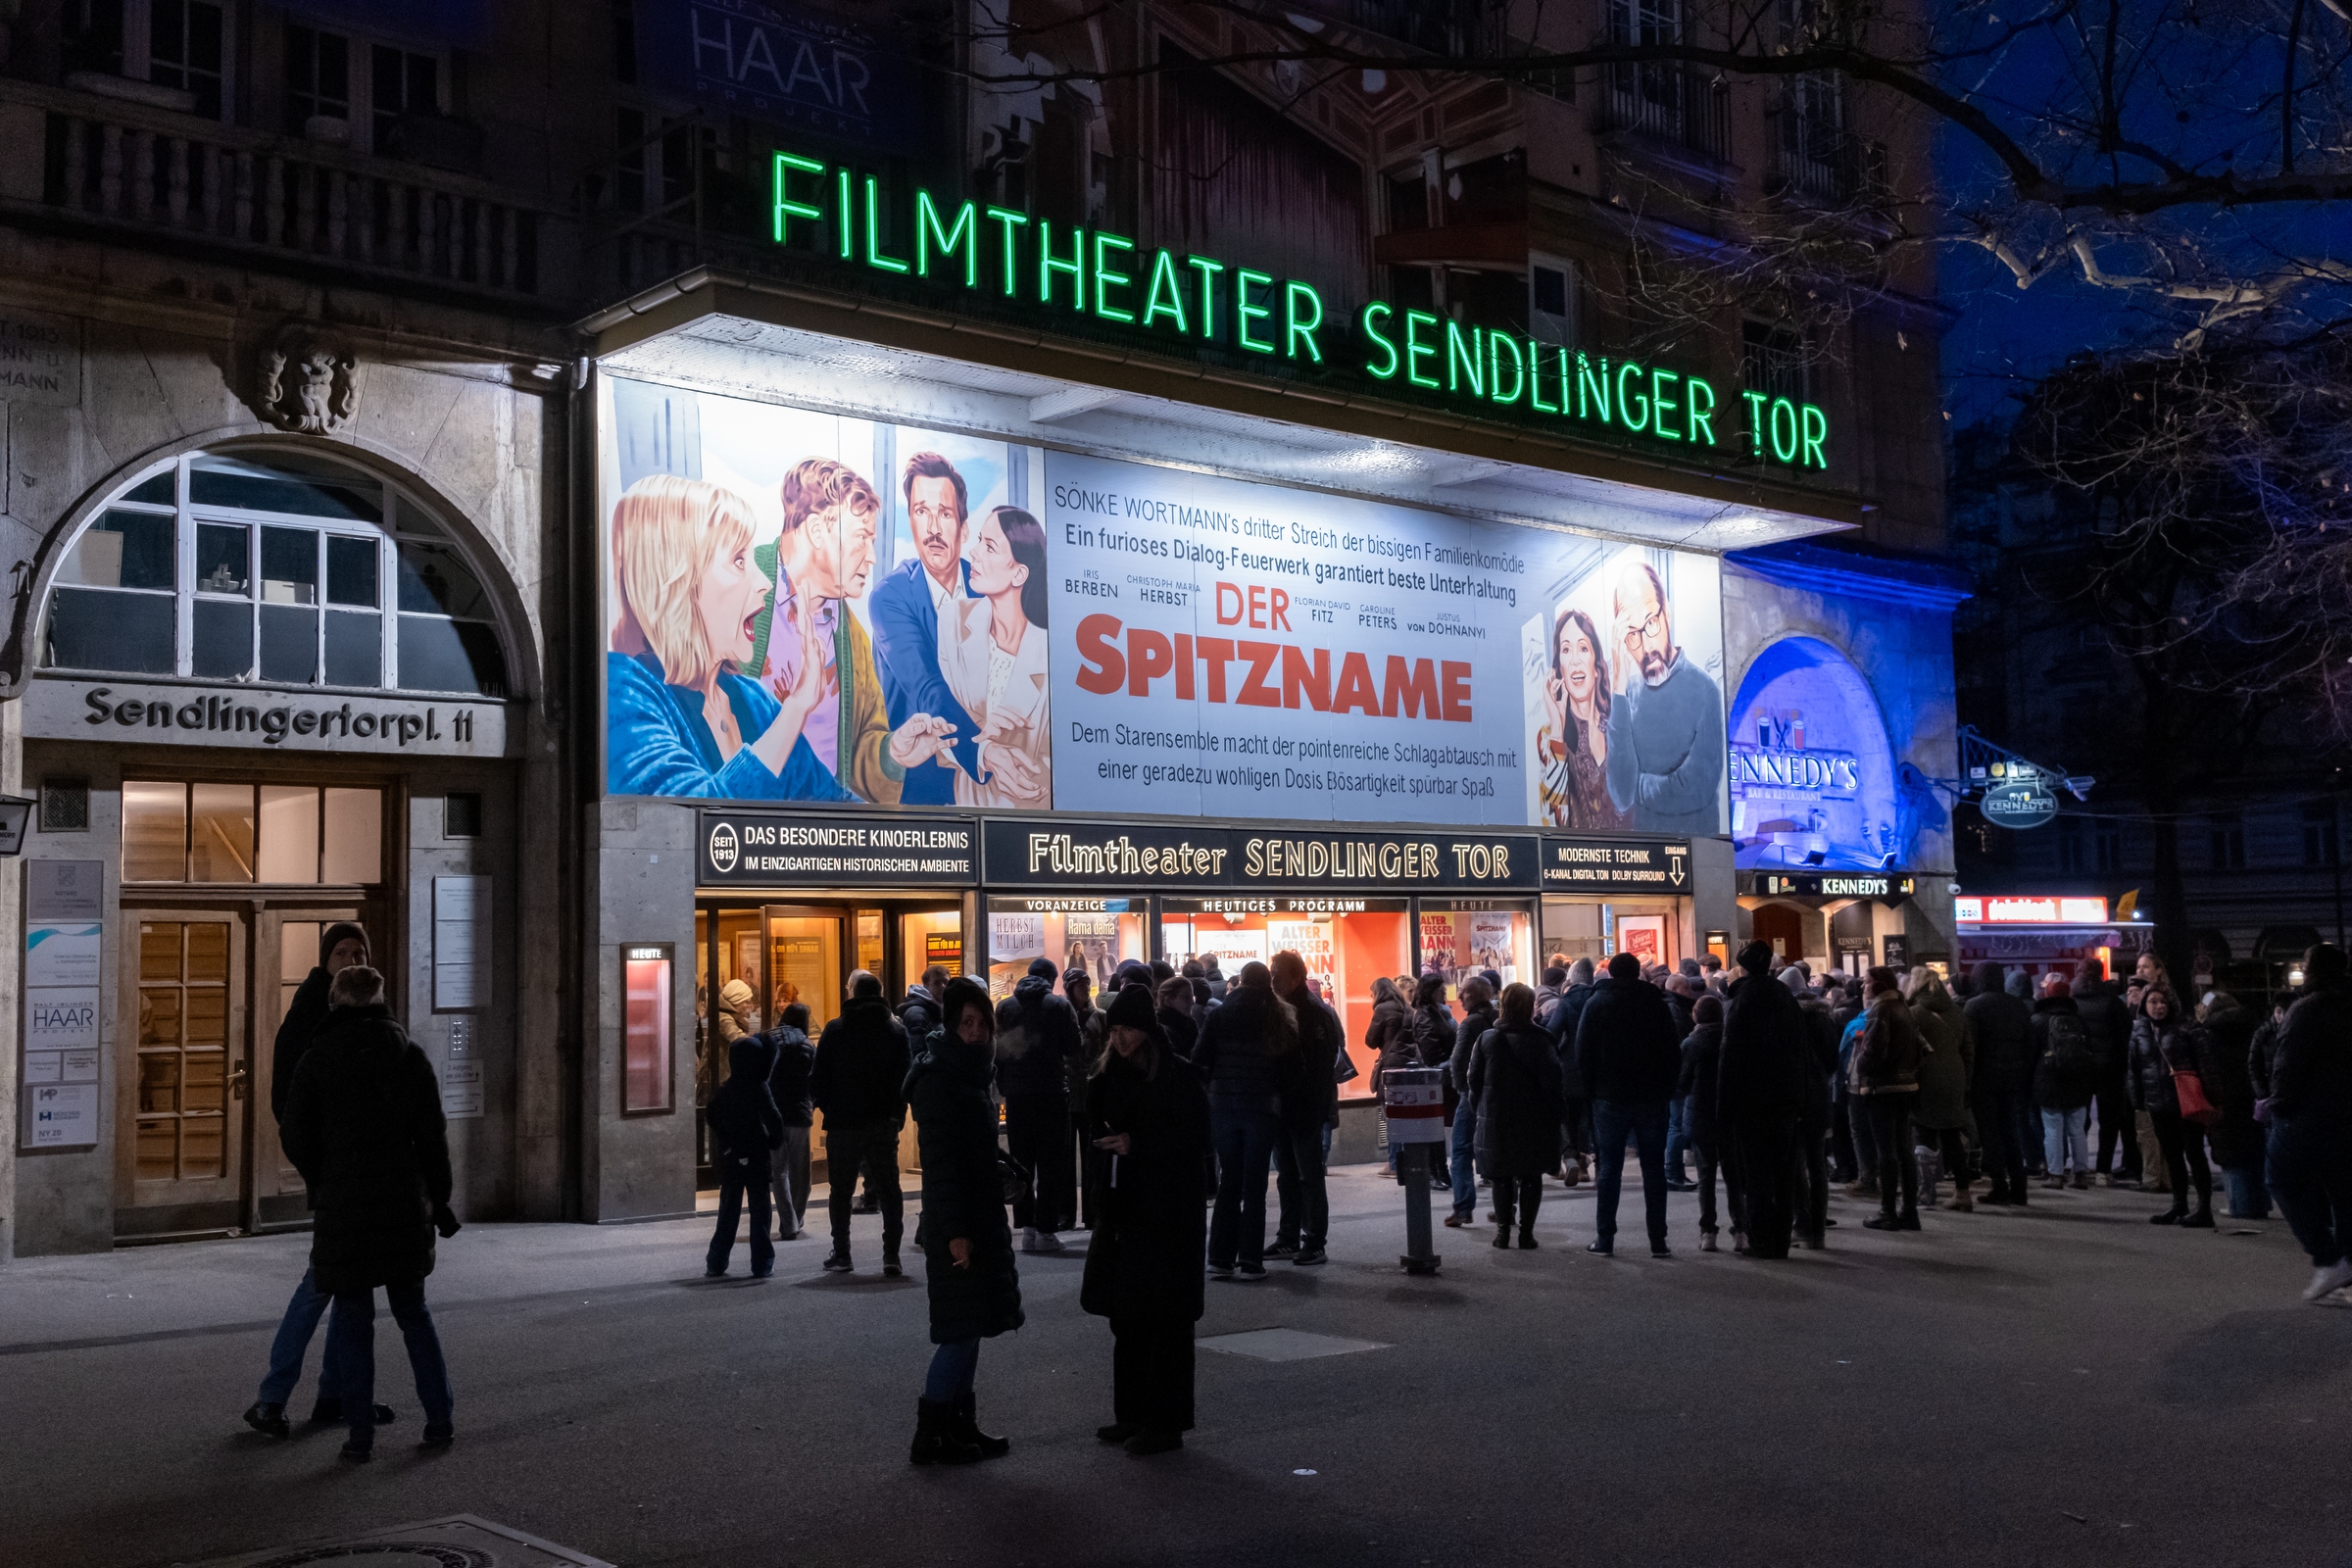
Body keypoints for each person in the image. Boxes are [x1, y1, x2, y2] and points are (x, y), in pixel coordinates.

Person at [279, 965, 457, 1462]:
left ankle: (360, 1437)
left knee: (354, 1320)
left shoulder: (317, 1060)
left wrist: (323, 1176)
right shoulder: (409, 1057)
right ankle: (439, 1420)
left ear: (335, 1001)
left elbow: (294, 1134)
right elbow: (433, 1139)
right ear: (381, 1000)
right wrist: (439, 1198)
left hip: (345, 1209)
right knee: (414, 1314)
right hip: (402, 1204)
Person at [604, 473, 860, 801]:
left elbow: (834, 804)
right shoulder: (622, 689)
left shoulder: (754, 700)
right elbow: (688, 813)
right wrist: (795, 710)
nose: (764, 582)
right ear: (678, 580)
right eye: (739, 561)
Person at [748, 458, 959, 802]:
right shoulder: (740, 585)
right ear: (817, 531)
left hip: (828, 826)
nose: (871, 557)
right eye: (862, 537)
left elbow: (862, 749)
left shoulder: (852, 637)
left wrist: (893, 754)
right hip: (744, 822)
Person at [244, 922, 374, 1440]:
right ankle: (272, 1397)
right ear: (325, 961)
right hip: (337, 1178)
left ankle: (334, 1395)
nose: (351, 960)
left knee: (350, 1287)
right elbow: (289, 1108)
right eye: (342, 952)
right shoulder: (309, 1018)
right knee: (322, 1283)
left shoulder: (369, 1017)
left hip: (363, 1178)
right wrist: (320, 1167)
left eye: (359, 952)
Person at [1083, 981, 1211, 1454]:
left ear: (1146, 1031)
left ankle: (1165, 1423)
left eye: (1127, 1030)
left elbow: (1195, 1142)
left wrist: (1138, 1145)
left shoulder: (1177, 1076)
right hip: (1124, 1210)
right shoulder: (1109, 1075)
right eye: (1114, 1030)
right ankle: (1131, 1414)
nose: (1118, 1039)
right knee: (1128, 1316)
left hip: (1168, 1213)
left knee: (1166, 1320)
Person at [906, 977, 1022, 1465]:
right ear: (952, 1025)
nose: (975, 1031)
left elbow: (972, 1149)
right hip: (957, 1221)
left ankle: (960, 1425)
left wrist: (1001, 1165)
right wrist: (955, 1232)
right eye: (966, 1023)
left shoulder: (971, 1070)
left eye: (981, 1023)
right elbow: (942, 1165)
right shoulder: (940, 1078)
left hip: (978, 1213)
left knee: (971, 1325)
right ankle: (931, 1435)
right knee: (958, 1331)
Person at [867, 451, 989, 806]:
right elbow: (929, 689)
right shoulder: (890, 596)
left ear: (964, 527)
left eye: (945, 514)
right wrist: (986, 757)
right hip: (919, 796)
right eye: (922, 512)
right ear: (910, 520)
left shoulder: (988, 588)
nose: (933, 529)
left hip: (994, 796)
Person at [940, 505, 1053, 807]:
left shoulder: (1049, 652)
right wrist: (983, 735)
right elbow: (941, 720)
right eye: (979, 541)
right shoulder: (952, 620)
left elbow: (1061, 762)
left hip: (1031, 819)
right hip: (964, 814)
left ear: (1019, 573)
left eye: (989, 547)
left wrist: (1008, 739)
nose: (973, 553)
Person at [1602, 561, 1725, 835]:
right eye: (1631, 635)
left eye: (1651, 623)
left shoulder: (1705, 691)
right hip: (1644, 856)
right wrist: (1618, 685)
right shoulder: (1627, 697)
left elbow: (1696, 787)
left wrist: (1638, 786)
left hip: (1697, 855)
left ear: (1666, 612)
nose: (1646, 646)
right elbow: (1620, 795)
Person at [1193, 960, 1297, 1280]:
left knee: (1229, 1182)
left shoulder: (1219, 1014)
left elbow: (1199, 1059)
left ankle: (1220, 1258)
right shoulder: (1277, 1016)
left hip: (1224, 1107)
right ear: (1267, 983)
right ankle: (1251, 1261)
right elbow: (1292, 1067)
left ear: (1240, 983)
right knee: (1255, 1186)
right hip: (1261, 1109)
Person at [1577, 952, 1683, 1256]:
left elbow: (1583, 1053)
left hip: (1609, 1096)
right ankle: (1658, 1240)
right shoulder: (1655, 1004)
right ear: (1638, 973)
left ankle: (1605, 1238)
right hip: (1651, 1097)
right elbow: (1672, 1051)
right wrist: (1666, 1089)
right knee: (1654, 1169)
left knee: (1609, 1168)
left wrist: (1591, 1092)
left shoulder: (1597, 1003)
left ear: (1610, 973)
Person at [2264, 945, 2352, 1301]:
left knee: (2280, 1177)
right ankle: (2347, 1261)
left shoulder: (2306, 1009)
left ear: (2313, 969)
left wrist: (2278, 1105)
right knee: (2344, 1190)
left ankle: (2327, 1258)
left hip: (2309, 1113)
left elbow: (2287, 1065)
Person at [809, 970, 912, 1274]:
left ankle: (842, 1253)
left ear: (853, 994)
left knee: (840, 1191)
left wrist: (828, 1107)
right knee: (889, 1189)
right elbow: (904, 1078)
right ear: (880, 994)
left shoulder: (836, 1028)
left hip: (843, 1122)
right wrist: (896, 1114)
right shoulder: (896, 1031)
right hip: (882, 1121)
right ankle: (891, 1255)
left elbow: (819, 1077)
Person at [1718, 943, 1812, 1258]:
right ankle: (1781, 1239)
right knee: (1783, 1172)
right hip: (1786, 1099)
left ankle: (1761, 1239)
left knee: (1756, 1173)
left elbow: (1731, 1056)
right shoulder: (1784, 997)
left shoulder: (1743, 999)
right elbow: (1801, 1051)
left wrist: (1725, 1104)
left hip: (1752, 1100)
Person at [995, 957, 1081, 1254]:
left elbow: (998, 1052)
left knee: (1021, 1163)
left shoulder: (1005, 1007)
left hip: (1017, 1096)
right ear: (1051, 979)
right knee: (1051, 1164)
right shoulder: (1059, 1006)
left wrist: (1006, 1086)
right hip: (1051, 1093)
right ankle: (1046, 1230)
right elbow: (1074, 1047)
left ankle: (1027, 1229)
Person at [1471, 983, 1566, 1247]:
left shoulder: (1487, 1039)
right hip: (1533, 1118)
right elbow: (1554, 1083)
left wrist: (1481, 1109)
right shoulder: (1542, 1039)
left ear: (1503, 1005)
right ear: (1530, 1007)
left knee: (1501, 1176)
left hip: (1497, 1117)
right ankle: (1526, 1234)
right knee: (1531, 1175)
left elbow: (1473, 1081)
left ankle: (1502, 1234)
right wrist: (1557, 1115)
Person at [1270, 951, 1341, 1266]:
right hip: (1283, 1106)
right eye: (1272, 974)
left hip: (1305, 1108)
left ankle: (1314, 1241)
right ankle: (1288, 1237)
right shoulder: (1279, 1009)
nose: (1273, 980)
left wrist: (1313, 1104)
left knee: (1309, 1176)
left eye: (1278, 974)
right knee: (1287, 1175)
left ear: (1296, 977)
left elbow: (1321, 1067)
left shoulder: (1313, 1013)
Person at [2128, 983, 2216, 1228]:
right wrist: (2138, 1100)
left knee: (2194, 1153)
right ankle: (2179, 1204)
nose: (2158, 1007)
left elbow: (2206, 1064)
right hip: (2157, 1103)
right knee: (2172, 1155)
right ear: (2144, 1005)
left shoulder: (2188, 1026)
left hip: (2185, 1102)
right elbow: (2134, 1068)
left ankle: (2204, 1209)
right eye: (2153, 1001)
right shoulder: (2140, 1030)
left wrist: (2213, 1096)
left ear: (2171, 1003)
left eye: (2163, 1002)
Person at [1538, 606, 1629, 830]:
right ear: (1559, 668)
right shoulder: (1549, 737)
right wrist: (1558, 730)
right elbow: (1552, 825)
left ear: (1596, 666)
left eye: (1583, 648)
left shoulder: (1620, 727)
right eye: (1566, 650)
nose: (1575, 660)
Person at [1849, 966, 1924, 1233]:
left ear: (1879, 984)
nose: (1863, 987)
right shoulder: (1904, 1007)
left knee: (1886, 1152)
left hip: (1882, 1088)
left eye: (1867, 982)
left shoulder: (1881, 1009)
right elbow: (1922, 1047)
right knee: (1904, 1150)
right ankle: (1909, 1211)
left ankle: (1887, 1211)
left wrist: (1861, 1058)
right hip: (1906, 1086)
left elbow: (1873, 1052)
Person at [704, 1034, 783, 1279]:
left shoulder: (724, 1089)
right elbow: (774, 1118)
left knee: (728, 1209)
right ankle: (762, 1263)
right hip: (757, 1153)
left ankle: (716, 1261)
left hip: (732, 1155)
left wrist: (725, 1142)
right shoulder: (759, 1087)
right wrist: (773, 1141)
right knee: (760, 1210)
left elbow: (712, 1117)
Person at [1964, 961, 2034, 1206]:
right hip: (2013, 1077)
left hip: (1984, 1079)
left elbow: (1970, 1048)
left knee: (1990, 1134)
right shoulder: (2017, 1005)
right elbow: (2029, 1043)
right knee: (2011, 1132)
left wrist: (1967, 1081)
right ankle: (2019, 1187)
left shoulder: (1974, 1006)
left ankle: (1999, 1185)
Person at [1906, 969, 1976, 1212]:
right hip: (1954, 1077)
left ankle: (1926, 1192)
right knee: (1952, 1135)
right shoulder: (1957, 1013)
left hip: (1925, 1079)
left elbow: (1909, 1051)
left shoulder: (1914, 1013)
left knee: (1923, 1134)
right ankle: (1963, 1193)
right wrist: (1964, 1082)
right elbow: (1968, 1052)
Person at [2197, 988, 2268, 1219]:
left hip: (2225, 1097)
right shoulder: (2252, 1027)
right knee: (2254, 1150)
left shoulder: (2209, 1033)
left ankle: (2239, 1204)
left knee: (2229, 1152)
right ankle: (2259, 1203)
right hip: (2252, 1096)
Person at [2074, 957, 2140, 1188]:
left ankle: (2079, 1169)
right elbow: (2125, 1038)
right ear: (2102, 975)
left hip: (2081, 1070)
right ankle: (2103, 1170)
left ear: (2078, 973)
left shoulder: (2073, 1002)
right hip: (2109, 1070)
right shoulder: (2112, 1002)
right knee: (2109, 1122)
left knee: (2079, 1121)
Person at [2031, 975, 2098, 1189]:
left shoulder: (2038, 1020)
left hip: (2048, 1082)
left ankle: (2056, 1175)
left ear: (2047, 995)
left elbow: (2031, 1054)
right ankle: (2080, 1174)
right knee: (2077, 1131)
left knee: (2052, 1130)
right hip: (2077, 1082)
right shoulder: (2079, 1020)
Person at [1445, 975, 1497, 1227]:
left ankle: (1463, 1207)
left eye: (1464, 992)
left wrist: (1460, 1088)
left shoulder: (1470, 1023)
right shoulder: (1498, 1018)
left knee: (1461, 1150)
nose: (1459, 996)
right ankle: (1505, 1206)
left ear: (1477, 995)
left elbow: (1458, 1061)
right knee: (1498, 1148)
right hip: (1497, 1092)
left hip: (1472, 1092)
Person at [1678, 992, 1729, 1249]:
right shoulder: (1730, 1040)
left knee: (1706, 1176)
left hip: (1700, 1114)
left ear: (1696, 1016)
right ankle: (1741, 1230)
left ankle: (1708, 1232)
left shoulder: (1692, 1043)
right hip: (1729, 1113)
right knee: (1734, 1175)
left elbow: (1682, 1081)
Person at [764, 1002, 816, 1240]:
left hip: (774, 1113)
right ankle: (797, 1217)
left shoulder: (770, 1041)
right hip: (799, 1115)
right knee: (801, 1173)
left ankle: (788, 1223)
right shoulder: (807, 1046)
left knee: (779, 1171)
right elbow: (815, 1080)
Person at [1552, 957, 1599, 1183]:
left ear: (1571, 979)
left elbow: (1552, 1031)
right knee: (1592, 1118)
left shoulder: (1566, 1002)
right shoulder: (1599, 999)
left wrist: (1560, 1051)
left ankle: (1571, 1158)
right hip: (1596, 1069)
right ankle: (1590, 1166)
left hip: (1570, 1068)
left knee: (1570, 1116)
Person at [1156, 975, 1200, 1058]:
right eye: (1186, 998)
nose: (1192, 1002)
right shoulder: (1160, 1029)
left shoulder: (1190, 1024)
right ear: (1168, 1000)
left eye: (1192, 997)